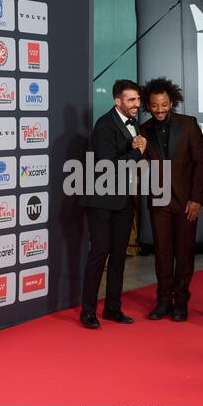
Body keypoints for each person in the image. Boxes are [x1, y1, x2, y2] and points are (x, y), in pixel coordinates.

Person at [79, 79, 147, 328]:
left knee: (119, 255)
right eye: (132, 100)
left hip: (123, 198)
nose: (137, 105)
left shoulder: (133, 123)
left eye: (138, 100)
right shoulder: (104, 125)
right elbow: (108, 165)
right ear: (117, 100)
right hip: (100, 199)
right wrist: (137, 152)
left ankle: (113, 308)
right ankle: (87, 311)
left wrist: (133, 149)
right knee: (100, 253)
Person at [140, 77, 203, 322]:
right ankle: (162, 300)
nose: (160, 110)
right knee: (163, 253)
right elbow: (141, 164)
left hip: (186, 201)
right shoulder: (143, 130)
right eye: (155, 105)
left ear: (172, 102)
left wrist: (197, 198)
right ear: (148, 105)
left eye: (164, 105)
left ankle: (181, 301)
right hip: (159, 199)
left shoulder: (188, 124)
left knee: (185, 251)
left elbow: (201, 163)